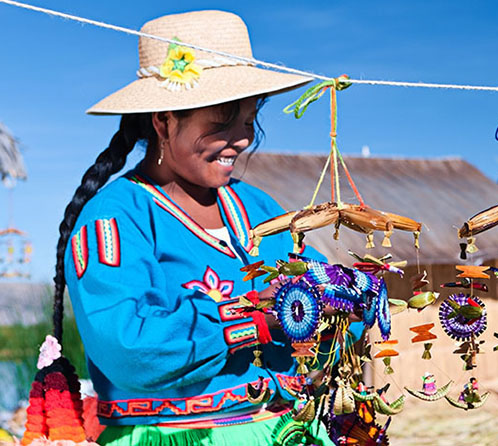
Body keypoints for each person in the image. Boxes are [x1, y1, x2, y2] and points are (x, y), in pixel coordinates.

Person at [50, 10, 333, 446]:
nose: (240, 140)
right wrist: (251, 316)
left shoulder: (259, 207)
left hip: (289, 431)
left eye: (247, 121)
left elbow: (316, 286)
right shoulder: (113, 219)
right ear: (164, 121)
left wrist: (342, 298)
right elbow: (127, 347)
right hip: (174, 435)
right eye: (221, 122)